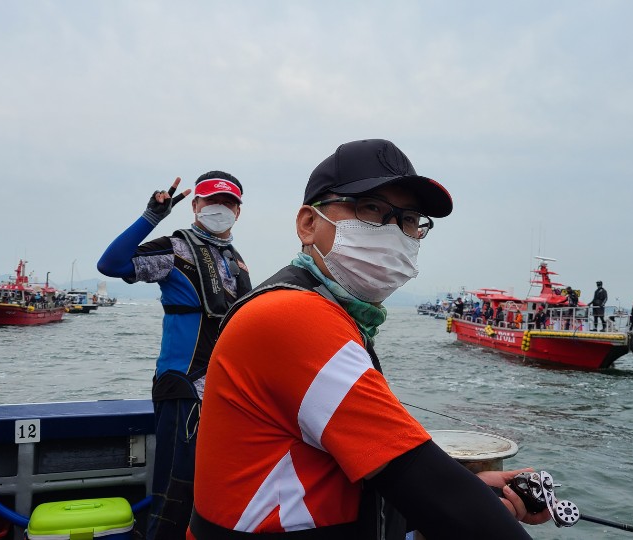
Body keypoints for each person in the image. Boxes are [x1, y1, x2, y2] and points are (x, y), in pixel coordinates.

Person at [190, 139, 549, 540]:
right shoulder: (292, 316)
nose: (394, 232)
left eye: (409, 219)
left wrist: (476, 491)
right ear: (308, 224)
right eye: (371, 209)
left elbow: (341, 478)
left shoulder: (334, 314)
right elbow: (415, 474)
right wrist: (462, 500)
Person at [97, 172, 252, 540]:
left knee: (214, 492)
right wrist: (151, 218)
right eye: (212, 201)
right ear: (195, 205)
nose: (220, 208)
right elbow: (111, 264)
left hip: (226, 394)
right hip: (184, 389)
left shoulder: (236, 260)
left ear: (238, 211)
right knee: (174, 492)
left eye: (228, 202)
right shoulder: (174, 250)